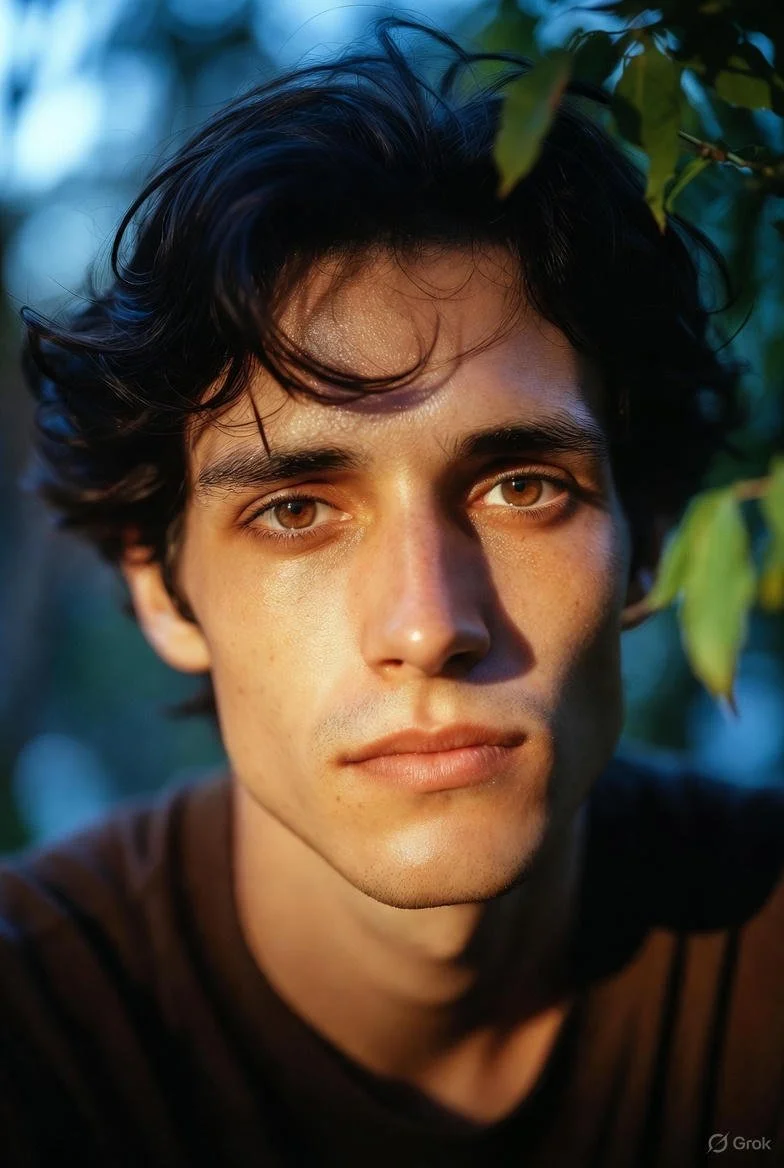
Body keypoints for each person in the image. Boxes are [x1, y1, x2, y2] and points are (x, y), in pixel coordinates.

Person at [3, 17, 783, 1168]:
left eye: (522, 487)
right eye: (295, 510)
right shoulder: (35, 1031)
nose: (428, 623)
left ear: (650, 540)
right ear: (164, 590)